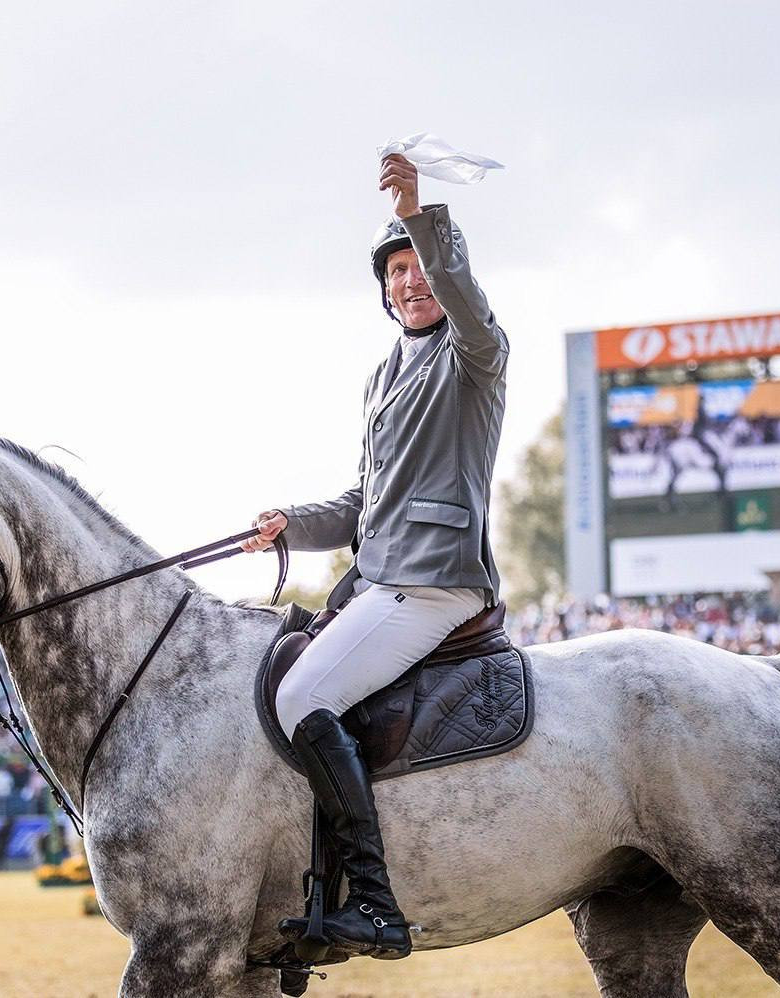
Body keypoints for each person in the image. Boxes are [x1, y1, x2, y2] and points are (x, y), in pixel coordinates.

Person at [242, 153, 509, 958]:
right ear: (383, 288)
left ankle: (380, 906)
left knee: (298, 700)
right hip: (378, 582)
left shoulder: (475, 355)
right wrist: (291, 523)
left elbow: (462, 298)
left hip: (433, 586)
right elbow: (364, 504)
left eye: (419, 266)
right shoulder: (382, 376)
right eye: (396, 271)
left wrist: (419, 213)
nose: (410, 281)